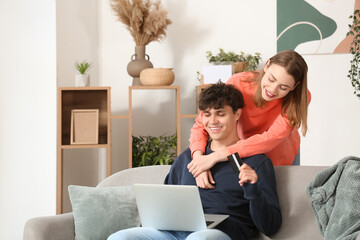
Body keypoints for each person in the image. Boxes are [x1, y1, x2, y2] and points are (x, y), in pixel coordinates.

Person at [107, 82, 282, 240]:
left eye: (220, 114)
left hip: (221, 232)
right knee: (120, 237)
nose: (212, 121)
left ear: (237, 114)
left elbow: (270, 226)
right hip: (172, 232)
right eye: (207, 114)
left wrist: (253, 190)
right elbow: (164, 202)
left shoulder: (257, 162)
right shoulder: (187, 158)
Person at [188, 50, 309, 188]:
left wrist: (214, 157)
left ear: (295, 86)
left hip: (279, 154)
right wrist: (199, 162)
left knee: (279, 202)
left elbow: (272, 138)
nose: (273, 90)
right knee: (241, 192)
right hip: (239, 150)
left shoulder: (299, 98)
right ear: (267, 65)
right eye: (271, 79)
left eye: (283, 87)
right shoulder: (239, 82)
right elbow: (202, 123)